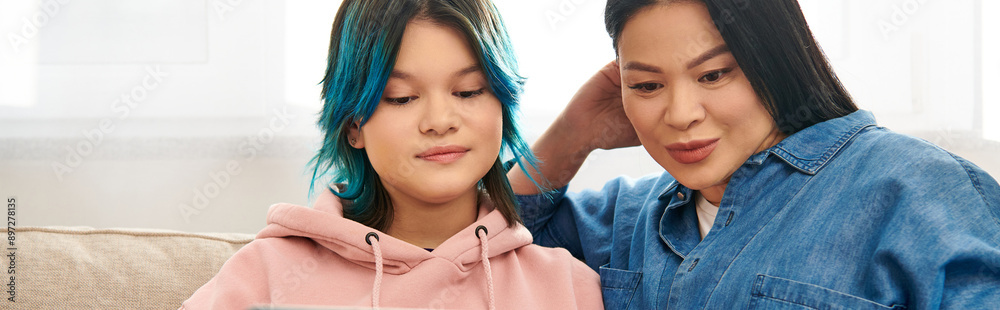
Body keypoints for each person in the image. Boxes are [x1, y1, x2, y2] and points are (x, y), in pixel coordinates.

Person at [508, 0, 1000, 309]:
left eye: (714, 74)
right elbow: (472, 243)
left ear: (775, 61)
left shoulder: (922, 192)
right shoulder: (624, 219)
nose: (680, 114)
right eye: (647, 84)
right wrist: (573, 135)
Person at [181, 0, 602, 309]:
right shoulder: (267, 272)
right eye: (401, 98)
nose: (439, 120)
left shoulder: (566, 284)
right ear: (353, 126)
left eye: (469, 91)